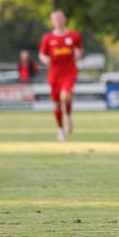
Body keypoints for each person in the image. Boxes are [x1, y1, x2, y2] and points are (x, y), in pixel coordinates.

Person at [38, 10, 83, 141]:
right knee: (57, 104)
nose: (58, 21)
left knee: (65, 96)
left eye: (60, 18)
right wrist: (45, 59)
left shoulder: (74, 36)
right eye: (55, 19)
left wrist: (78, 55)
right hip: (54, 74)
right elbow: (42, 54)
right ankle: (60, 129)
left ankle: (68, 115)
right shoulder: (48, 38)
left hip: (69, 72)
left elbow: (80, 49)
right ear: (52, 21)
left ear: (65, 19)